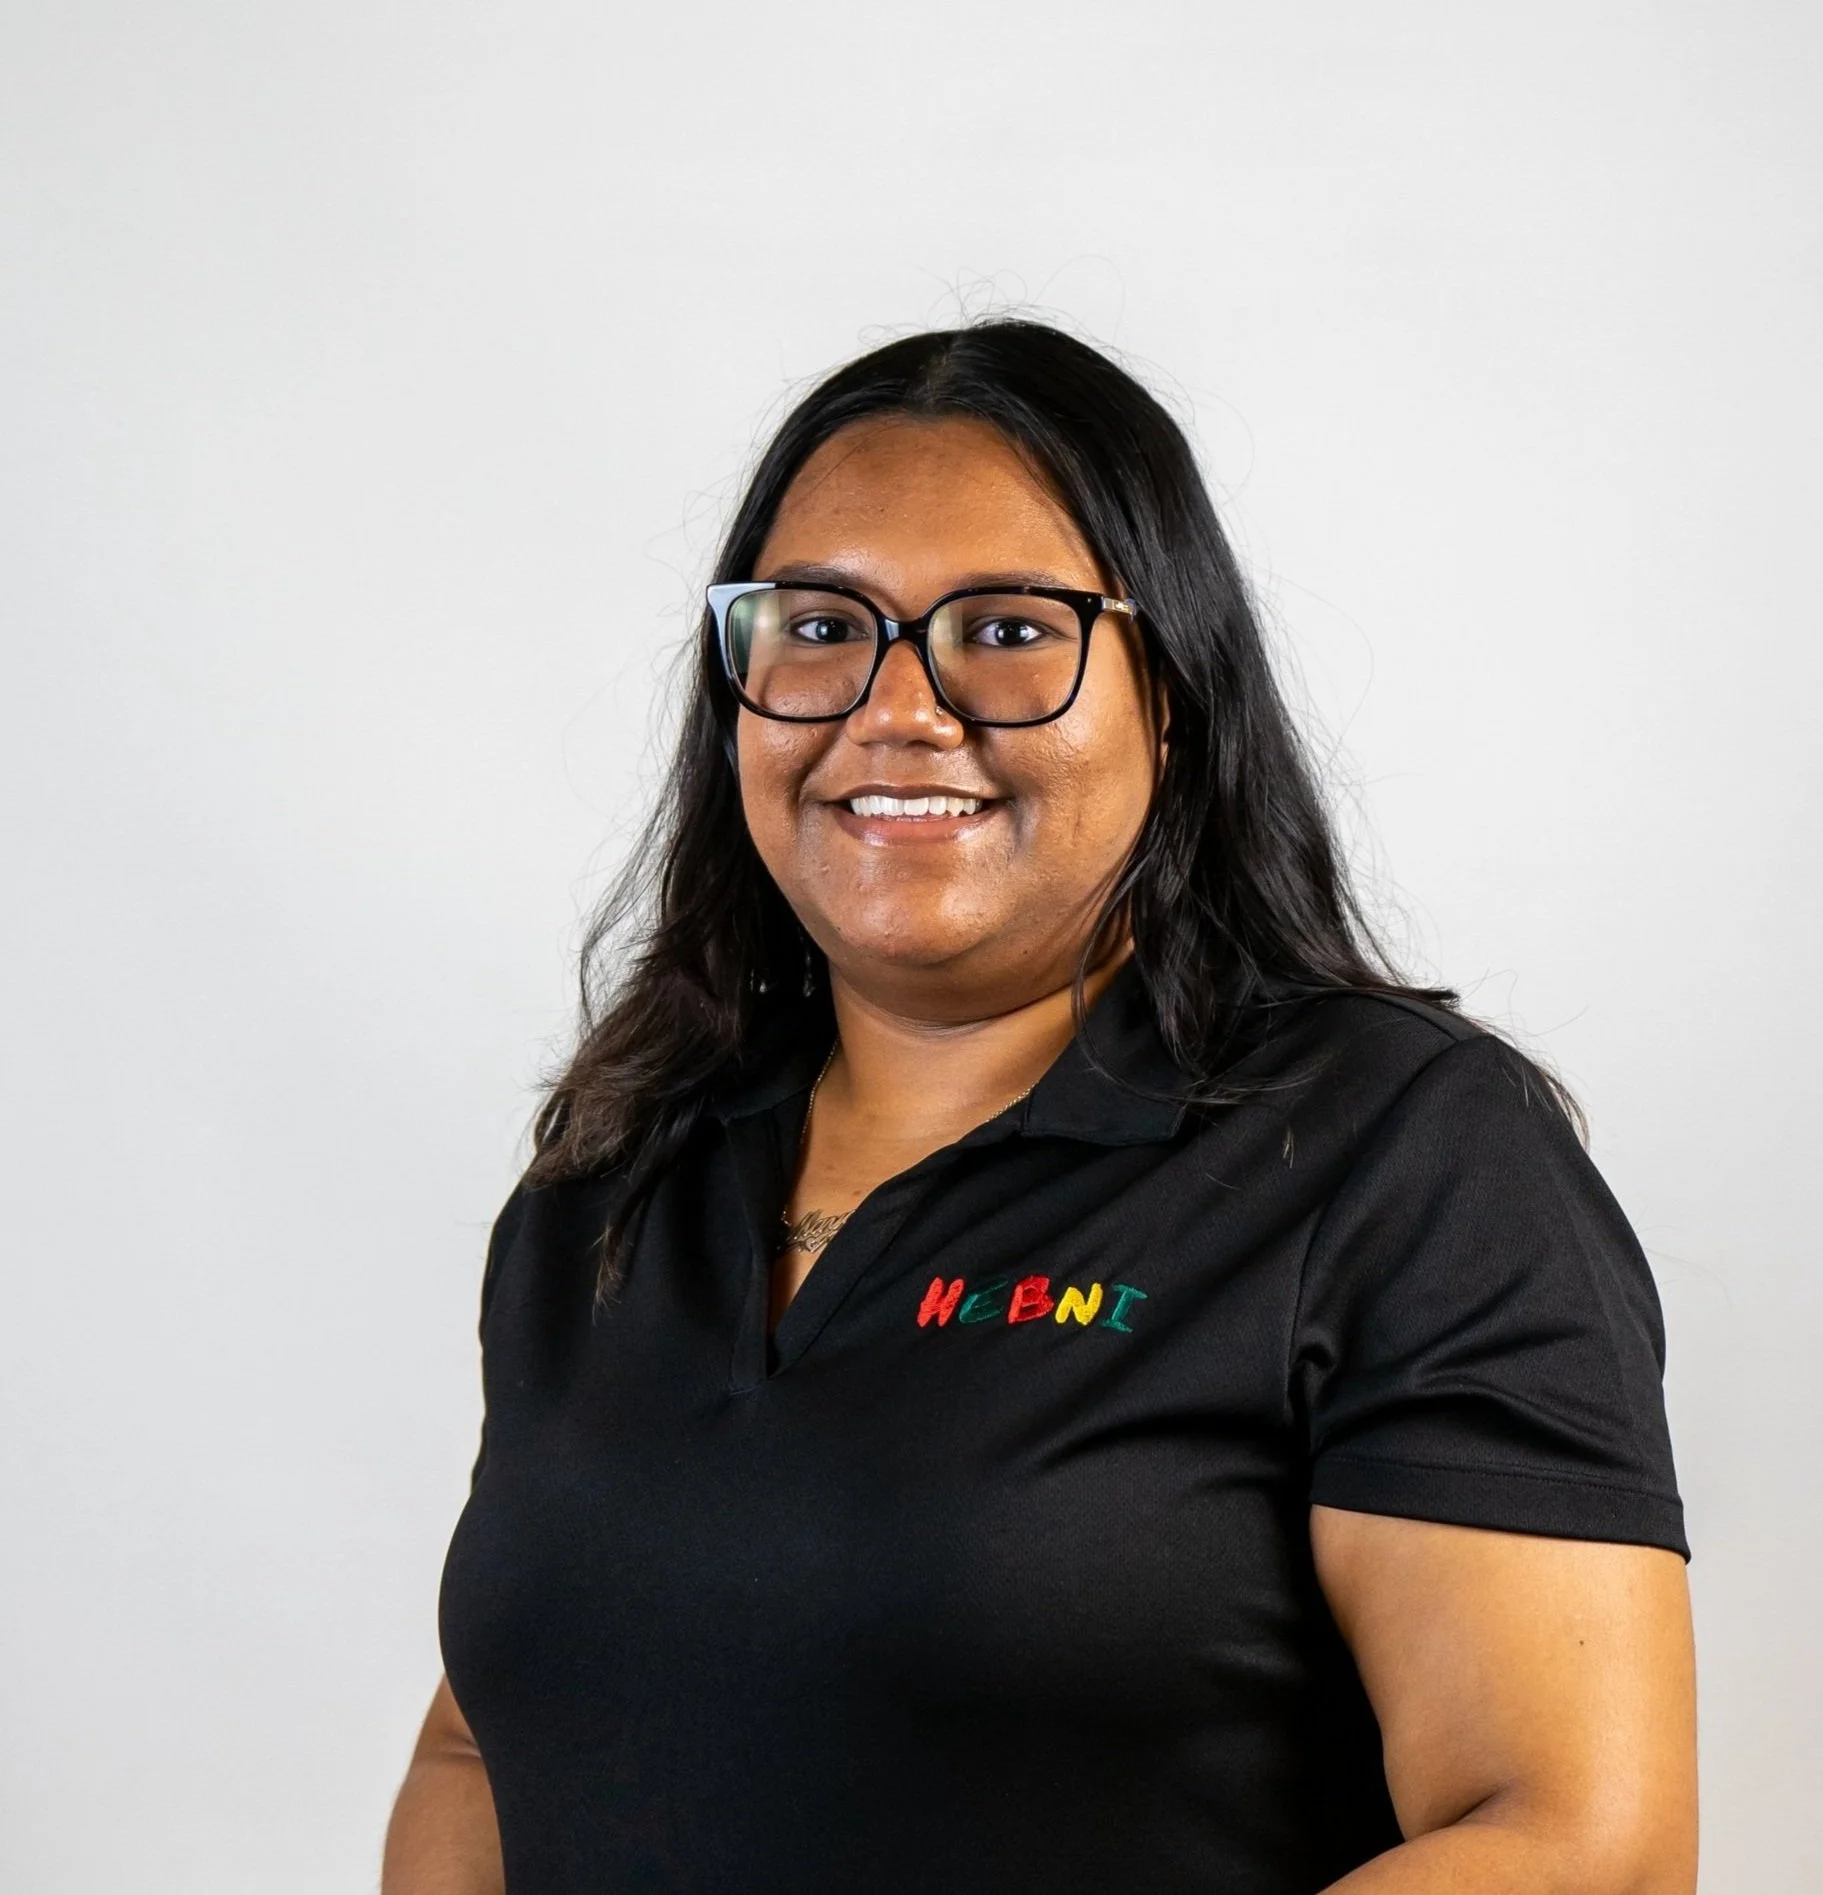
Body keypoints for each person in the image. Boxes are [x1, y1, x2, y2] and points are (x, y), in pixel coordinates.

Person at [382, 321, 1696, 1895]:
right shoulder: (617, 1172)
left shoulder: (1397, 1151)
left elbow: (1571, 1838)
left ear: (1173, 693)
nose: (897, 708)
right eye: (820, 625)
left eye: (1006, 629)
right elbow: (483, 1742)